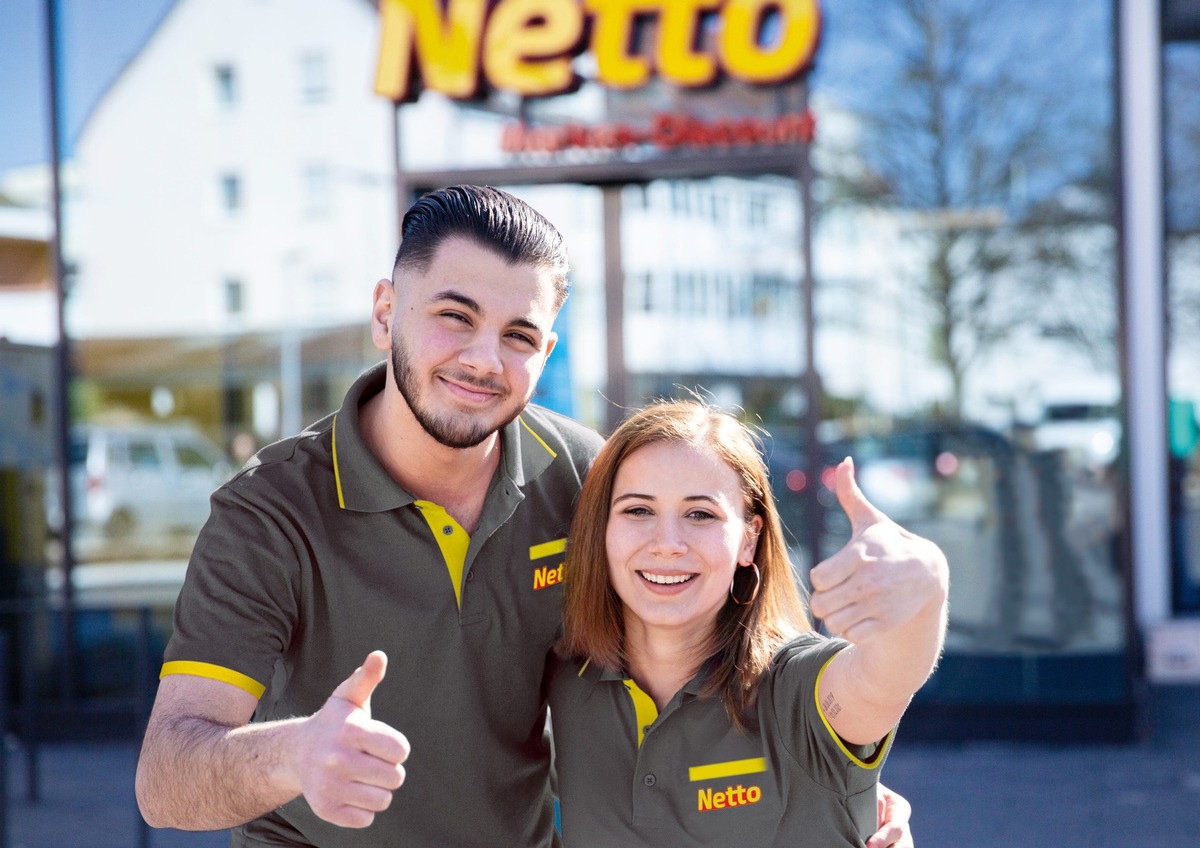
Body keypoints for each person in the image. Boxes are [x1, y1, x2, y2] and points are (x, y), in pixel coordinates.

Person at [134, 185, 917, 847]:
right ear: (385, 312)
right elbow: (166, 779)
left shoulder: (587, 478)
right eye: (453, 315)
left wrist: (832, 793)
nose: (484, 359)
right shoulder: (269, 511)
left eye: (519, 335)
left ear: (546, 349)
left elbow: (696, 651)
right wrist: (296, 755)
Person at [550, 400, 949, 846]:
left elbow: (883, 680)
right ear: (600, 531)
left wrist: (925, 589)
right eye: (638, 511)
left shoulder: (796, 688)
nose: (667, 544)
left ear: (749, 538)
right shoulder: (567, 686)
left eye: (700, 514)